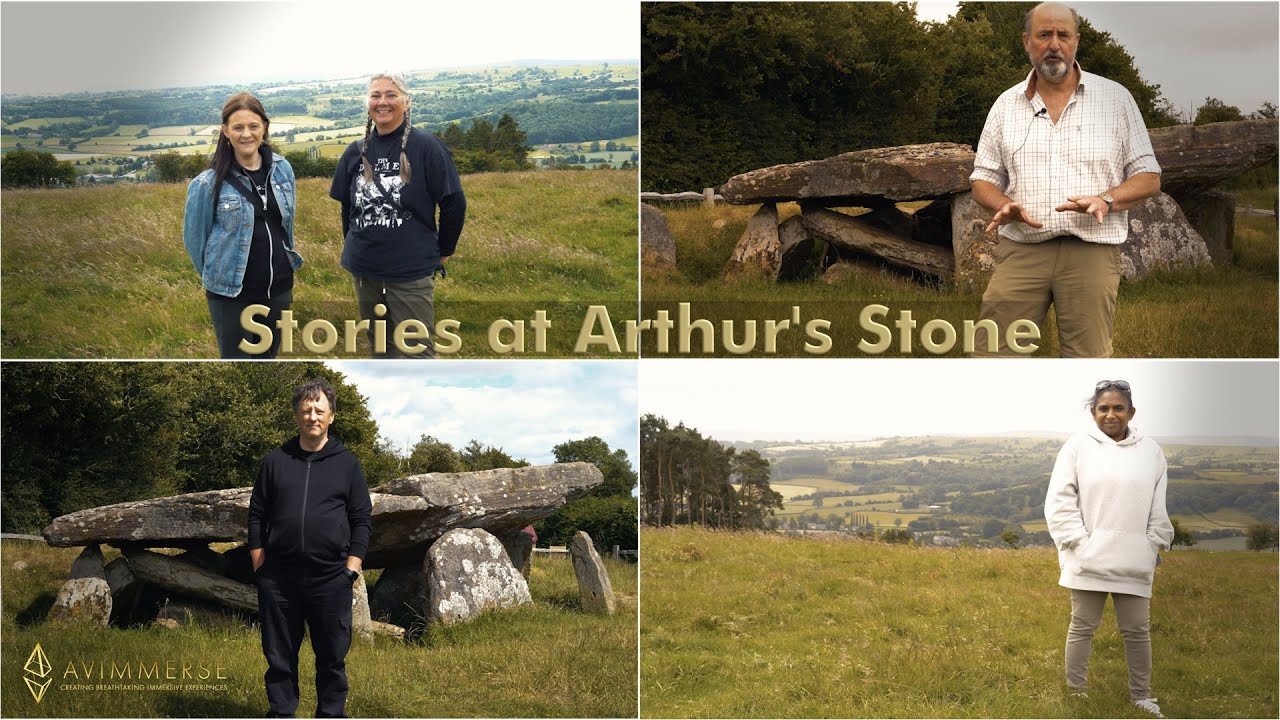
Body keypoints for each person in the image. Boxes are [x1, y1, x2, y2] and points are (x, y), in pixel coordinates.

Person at [969, 2, 1161, 357]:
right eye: (1044, 35)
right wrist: (1003, 204)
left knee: (1087, 363)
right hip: (1022, 250)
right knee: (993, 355)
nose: (1054, 44)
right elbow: (982, 179)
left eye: (1063, 35)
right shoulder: (1005, 105)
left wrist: (1105, 200)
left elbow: (1149, 177)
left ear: (1076, 41)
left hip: (1091, 251)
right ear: (1027, 41)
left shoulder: (1116, 100)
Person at [1044, 380, 1174, 718]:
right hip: (1087, 559)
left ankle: (1142, 697)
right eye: (1103, 408)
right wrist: (1080, 543)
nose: (1111, 414)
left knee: (1137, 630)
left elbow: (1158, 505)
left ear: (1131, 412)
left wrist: (1151, 544)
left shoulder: (1151, 451)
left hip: (1134, 560)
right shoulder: (1077, 447)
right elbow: (1059, 501)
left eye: (1118, 408)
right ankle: (1077, 693)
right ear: (1093, 412)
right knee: (1082, 626)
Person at [248, 379, 373, 718]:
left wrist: (351, 568)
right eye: (306, 410)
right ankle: (281, 713)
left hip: (330, 578)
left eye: (319, 410)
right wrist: (260, 566)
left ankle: (331, 714)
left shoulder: (348, 464)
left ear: (331, 416)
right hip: (279, 579)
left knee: (332, 658)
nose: (312, 416)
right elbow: (257, 514)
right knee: (279, 658)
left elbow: (361, 519)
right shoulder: (275, 461)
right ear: (296, 416)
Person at [330, 72, 466, 358]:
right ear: (367, 103)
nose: (383, 102)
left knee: (417, 351)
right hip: (365, 271)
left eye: (391, 95)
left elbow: (454, 203)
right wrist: (354, 247)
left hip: (410, 271)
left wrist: (444, 252)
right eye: (375, 95)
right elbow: (348, 207)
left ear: (406, 102)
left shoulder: (427, 147)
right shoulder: (354, 152)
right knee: (380, 347)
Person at [183, 92, 301, 358]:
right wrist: (220, 278)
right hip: (231, 295)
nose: (246, 134)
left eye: (253, 126)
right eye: (238, 127)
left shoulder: (283, 169)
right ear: (225, 131)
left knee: (268, 361)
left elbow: (287, 226)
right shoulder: (206, 184)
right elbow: (195, 243)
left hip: (279, 289)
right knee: (237, 364)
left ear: (265, 127)